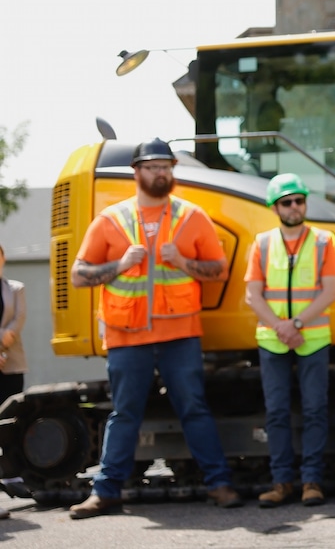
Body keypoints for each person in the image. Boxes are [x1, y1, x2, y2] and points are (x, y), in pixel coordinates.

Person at [68, 138, 243, 518]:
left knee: (194, 409)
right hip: (126, 336)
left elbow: (219, 270)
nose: (161, 173)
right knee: (124, 414)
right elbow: (79, 275)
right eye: (152, 167)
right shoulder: (111, 220)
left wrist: (182, 261)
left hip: (180, 334)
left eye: (166, 166)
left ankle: (219, 484)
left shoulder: (192, 217)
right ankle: (106, 492)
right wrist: (119, 265)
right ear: (136, 172)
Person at [244, 174, 335, 507]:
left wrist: (296, 323)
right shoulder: (262, 243)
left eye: (299, 200)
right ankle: (282, 481)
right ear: (275, 207)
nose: (295, 207)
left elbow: (330, 291)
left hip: (312, 338)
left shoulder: (324, 241)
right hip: (273, 341)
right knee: (277, 413)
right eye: (287, 202)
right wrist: (280, 327)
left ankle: (311, 482)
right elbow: (253, 294)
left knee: (315, 410)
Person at [0, 243, 27, 405]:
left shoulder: (17, 289)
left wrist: (7, 336)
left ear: (4, 259)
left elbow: (20, 317)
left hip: (12, 362)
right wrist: (2, 335)